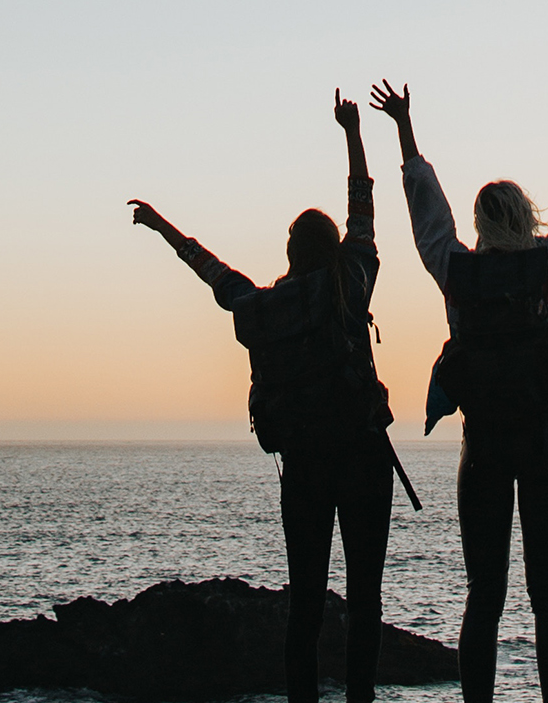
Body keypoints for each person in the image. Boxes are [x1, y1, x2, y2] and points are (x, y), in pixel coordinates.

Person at [370, 72, 548, 703]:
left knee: (483, 595)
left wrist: (404, 132)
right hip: (546, 444)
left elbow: (426, 216)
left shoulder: (457, 272)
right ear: (526, 216)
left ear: (483, 224)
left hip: (481, 446)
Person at [128, 90, 396, 703]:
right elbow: (363, 206)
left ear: (289, 255)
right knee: (366, 598)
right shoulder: (352, 282)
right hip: (363, 459)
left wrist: (159, 223)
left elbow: (209, 268)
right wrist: (353, 133)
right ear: (332, 251)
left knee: (304, 604)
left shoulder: (262, 309)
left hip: (302, 467)